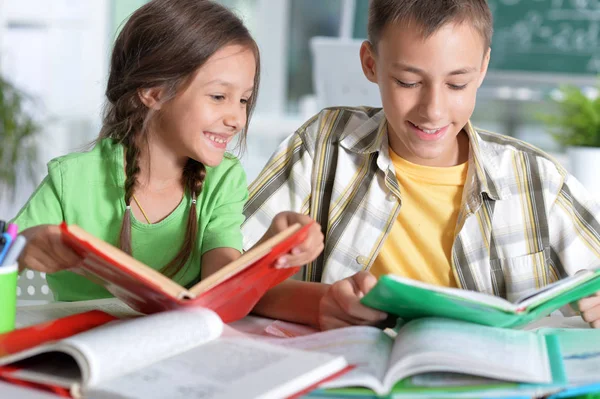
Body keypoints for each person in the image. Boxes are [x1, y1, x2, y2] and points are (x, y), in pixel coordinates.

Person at [242, 0, 600, 330]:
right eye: (408, 82)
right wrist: (319, 303)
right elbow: (228, 281)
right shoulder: (323, 147)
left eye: (457, 84)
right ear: (371, 64)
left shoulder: (537, 181)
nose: (433, 110)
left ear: (483, 68)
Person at [12, 0, 323, 301]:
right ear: (153, 93)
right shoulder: (72, 178)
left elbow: (221, 279)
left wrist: (273, 247)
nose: (237, 119)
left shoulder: (224, 179)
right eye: (218, 96)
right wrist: (24, 245)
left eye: (243, 100)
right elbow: (8, 253)